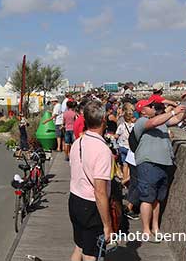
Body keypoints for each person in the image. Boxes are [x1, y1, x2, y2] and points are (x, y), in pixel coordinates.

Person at [133, 99, 186, 242]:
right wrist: (173, 111)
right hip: (148, 163)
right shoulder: (141, 122)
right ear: (142, 111)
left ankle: (155, 228)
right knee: (147, 197)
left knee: (157, 198)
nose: (153, 107)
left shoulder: (161, 120)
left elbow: (176, 119)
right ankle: (146, 230)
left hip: (163, 163)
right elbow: (153, 123)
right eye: (149, 106)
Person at [69, 100, 114, 260]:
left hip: (75, 199)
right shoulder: (102, 150)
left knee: (79, 247)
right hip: (90, 206)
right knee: (90, 255)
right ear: (103, 120)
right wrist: (107, 225)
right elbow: (100, 191)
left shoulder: (77, 143)